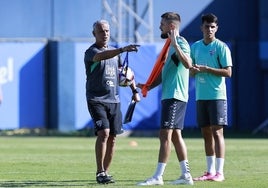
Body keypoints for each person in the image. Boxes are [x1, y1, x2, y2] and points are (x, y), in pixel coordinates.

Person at [137, 12, 194, 186]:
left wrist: (176, 44)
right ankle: (186, 175)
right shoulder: (170, 46)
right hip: (171, 95)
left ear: (171, 26)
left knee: (164, 135)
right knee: (176, 135)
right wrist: (146, 86)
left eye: (162, 24)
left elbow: (188, 64)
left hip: (175, 96)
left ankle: (158, 176)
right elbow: (164, 74)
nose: (159, 27)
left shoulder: (180, 43)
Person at [84, 19, 141, 184]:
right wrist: (122, 49)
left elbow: (127, 73)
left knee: (113, 137)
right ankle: (100, 171)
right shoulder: (91, 52)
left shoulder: (115, 54)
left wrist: (134, 91)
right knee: (104, 133)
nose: (105, 34)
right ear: (94, 34)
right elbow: (101, 56)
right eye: (101, 31)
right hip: (96, 99)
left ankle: (106, 172)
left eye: (107, 31)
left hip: (114, 100)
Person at [190, 13, 232, 182]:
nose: (209, 30)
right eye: (206, 26)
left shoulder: (221, 47)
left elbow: (228, 72)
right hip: (201, 96)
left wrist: (206, 69)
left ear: (216, 28)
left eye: (212, 27)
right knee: (206, 133)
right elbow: (191, 70)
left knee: (217, 133)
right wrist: (193, 71)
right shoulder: (196, 47)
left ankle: (220, 173)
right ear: (202, 28)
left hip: (217, 96)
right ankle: (210, 171)